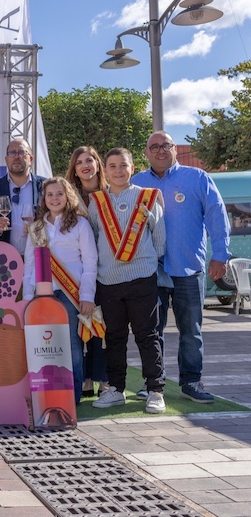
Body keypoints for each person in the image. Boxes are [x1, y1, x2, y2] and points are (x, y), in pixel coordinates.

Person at [132, 131, 231, 404]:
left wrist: (220, 254)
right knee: (152, 330)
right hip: (152, 271)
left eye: (166, 145)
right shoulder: (136, 183)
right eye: (155, 147)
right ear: (146, 153)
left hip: (190, 268)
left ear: (174, 149)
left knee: (191, 331)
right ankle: (154, 383)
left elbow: (216, 215)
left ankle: (191, 382)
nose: (161, 151)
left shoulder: (197, 178)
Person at [89, 148, 166, 414]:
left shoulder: (148, 197)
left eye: (123, 165)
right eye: (112, 166)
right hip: (108, 279)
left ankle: (155, 390)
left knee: (147, 335)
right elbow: (95, 236)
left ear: (133, 167)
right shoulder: (96, 201)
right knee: (114, 336)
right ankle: (117, 389)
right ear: (105, 170)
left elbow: (159, 236)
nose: (118, 171)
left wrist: (146, 261)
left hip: (142, 277)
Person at [24, 177, 97, 405]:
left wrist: (87, 296)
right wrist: (27, 297)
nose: (55, 198)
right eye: (50, 195)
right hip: (42, 295)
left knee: (72, 345)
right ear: (44, 199)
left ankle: (72, 397)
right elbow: (29, 265)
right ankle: (47, 393)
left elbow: (90, 263)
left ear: (68, 197)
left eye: (59, 194)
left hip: (70, 294)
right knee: (44, 344)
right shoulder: (36, 228)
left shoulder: (80, 224)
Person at [64, 146, 109, 398]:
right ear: (74, 168)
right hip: (79, 272)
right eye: (79, 162)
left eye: (89, 160)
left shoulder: (110, 192)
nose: (85, 165)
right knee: (81, 322)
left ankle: (102, 377)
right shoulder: (70, 197)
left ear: (97, 164)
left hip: (109, 268)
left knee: (101, 326)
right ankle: (85, 378)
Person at [0, 138, 47, 255]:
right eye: (12, 153)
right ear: (6, 159)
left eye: (22, 152)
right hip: (4, 261)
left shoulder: (46, 187)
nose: (16, 156)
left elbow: (56, 223)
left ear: (31, 159)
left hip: (38, 257)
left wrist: (38, 228)